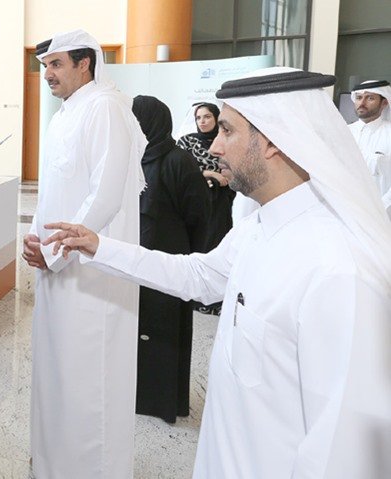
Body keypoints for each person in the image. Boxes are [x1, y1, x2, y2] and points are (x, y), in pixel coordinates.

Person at [44, 67, 391, 478]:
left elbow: (344, 452)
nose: (216, 147)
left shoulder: (340, 270)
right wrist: (98, 246)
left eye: (227, 131)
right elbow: (198, 275)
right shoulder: (259, 226)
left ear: (274, 142)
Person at [23, 30, 146, 478]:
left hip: (91, 279)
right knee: (57, 379)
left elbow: (105, 197)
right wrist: (35, 239)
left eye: (56, 64)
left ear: (85, 64)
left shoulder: (105, 108)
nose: (48, 73)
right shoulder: (66, 114)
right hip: (58, 269)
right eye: (45, 66)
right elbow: (54, 189)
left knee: (86, 385)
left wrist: (54, 253)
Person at [130, 95, 211, 424]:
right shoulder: (134, 158)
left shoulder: (178, 160)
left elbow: (200, 215)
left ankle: (163, 401)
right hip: (137, 261)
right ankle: (136, 395)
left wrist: (185, 255)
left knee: (165, 331)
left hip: (170, 261)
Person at [177, 102, 236, 314]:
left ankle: (216, 299)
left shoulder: (226, 141)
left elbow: (234, 168)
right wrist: (210, 174)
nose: (202, 121)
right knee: (198, 245)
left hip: (220, 203)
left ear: (216, 118)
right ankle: (196, 297)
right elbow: (181, 173)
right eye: (198, 117)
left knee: (218, 245)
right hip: (194, 202)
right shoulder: (186, 142)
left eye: (207, 117)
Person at [347, 79, 391, 216]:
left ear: (384, 103)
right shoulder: (343, 132)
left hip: (381, 216)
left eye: (370, 98)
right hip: (346, 212)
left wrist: (379, 210)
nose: (362, 103)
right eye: (359, 98)